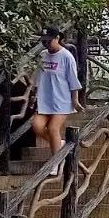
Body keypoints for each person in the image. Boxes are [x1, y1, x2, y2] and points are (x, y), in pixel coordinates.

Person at [34, 26, 82, 158]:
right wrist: (34, 93)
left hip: (62, 100)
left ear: (57, 38)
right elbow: (38, 77)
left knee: (53, 128)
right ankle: (59, 143)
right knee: (37, 126)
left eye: (49, 41)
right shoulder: (43, 55)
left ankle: (56, 161)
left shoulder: (66, 56)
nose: (47, 44)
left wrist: (75, 100)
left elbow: (73, 79)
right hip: (45, 99)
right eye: (44, 41)